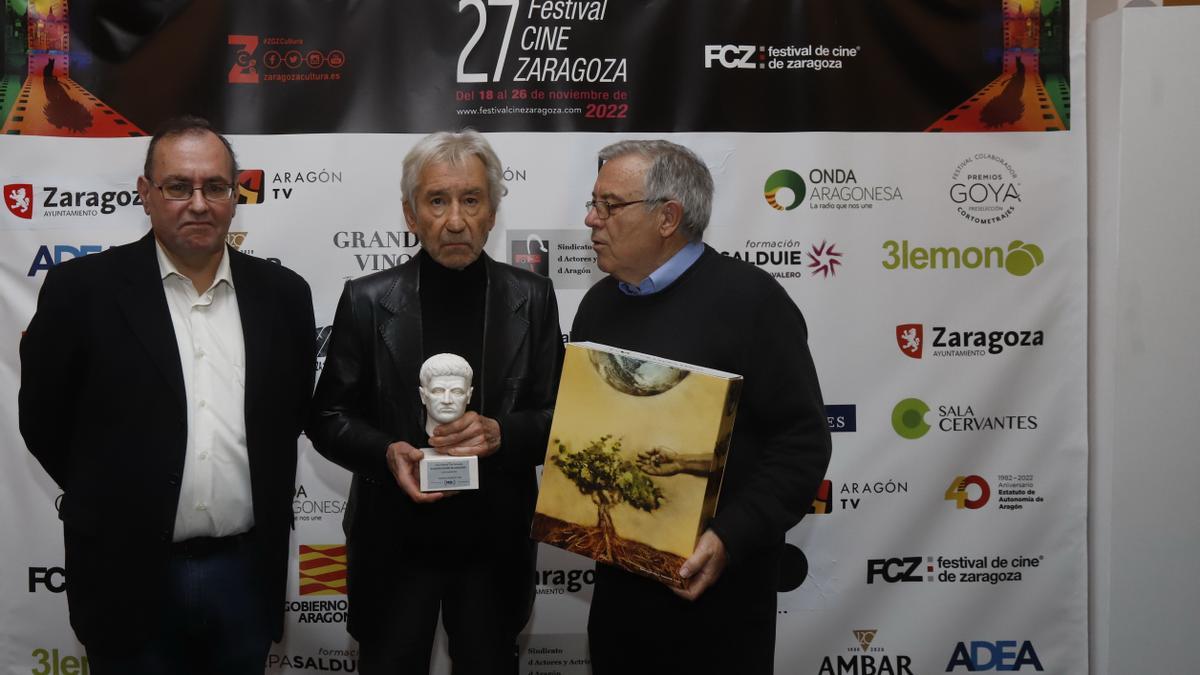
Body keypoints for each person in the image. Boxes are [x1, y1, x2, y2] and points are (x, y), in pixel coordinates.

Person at [18, 115, 316, 674]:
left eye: (216, 187)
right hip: (124, 574)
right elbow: (43, 422)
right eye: (178, 186)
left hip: (245, 574)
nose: (198, 203)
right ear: (146, 195)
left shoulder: (284, 296)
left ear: (236, 194)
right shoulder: (81, 292)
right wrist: (116, 502)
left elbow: (293, 412)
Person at [307, 129, 564, 675]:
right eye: (437, 201)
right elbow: (327, 417)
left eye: (471, 200)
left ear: (492, 211)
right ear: (410, 213)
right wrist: (387, 452)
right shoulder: (367, 300)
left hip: (494, 547)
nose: (454, 220)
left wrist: (503, 435)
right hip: (394, 547)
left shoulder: (534, 298)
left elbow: (562, 417)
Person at [573, 139, 832, 674]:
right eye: (594, 203)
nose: (591, 219)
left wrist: (728, 537)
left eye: (609, 205)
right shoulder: (599, 304)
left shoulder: (752, 302)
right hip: (621, 598)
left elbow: (801, 444)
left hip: (720, 604)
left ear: (667, 216)